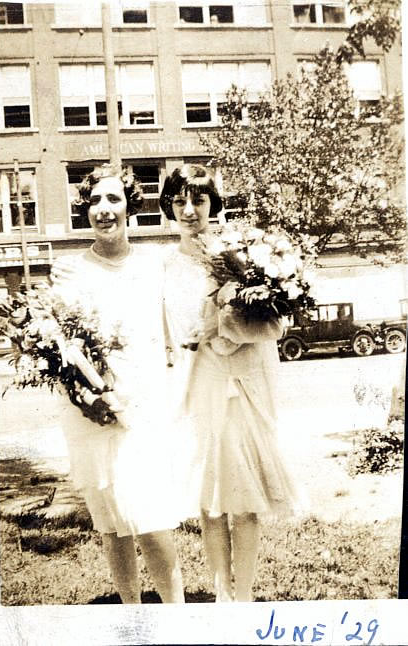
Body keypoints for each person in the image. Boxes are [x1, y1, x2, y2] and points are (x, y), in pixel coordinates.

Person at [160, 164, 299, 602]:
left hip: (245, 387)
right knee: (211, 496)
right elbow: (173, 332)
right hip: (199, 385)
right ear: (168, 206)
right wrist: (202, 336)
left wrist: (223, 329)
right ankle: (222, 594)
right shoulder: (164, 267)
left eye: (198, 200)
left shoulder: (239, 255)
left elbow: (274, 326)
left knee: (245, 494)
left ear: (212, 205)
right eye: (179, 201)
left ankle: (246, 597)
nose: (189, 210)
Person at [51, 164, 184, 604]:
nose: (103, 210)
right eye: (94, 201)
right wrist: (89, 398)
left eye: (113, 199)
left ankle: (178, 617)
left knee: (149, 517)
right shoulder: (71, 273)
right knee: (110, 520)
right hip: (92, 410)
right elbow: (62, 350)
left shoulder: (154, 267)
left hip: (143, 406)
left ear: (131, 206)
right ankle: (132, 616)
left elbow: (173, 337)